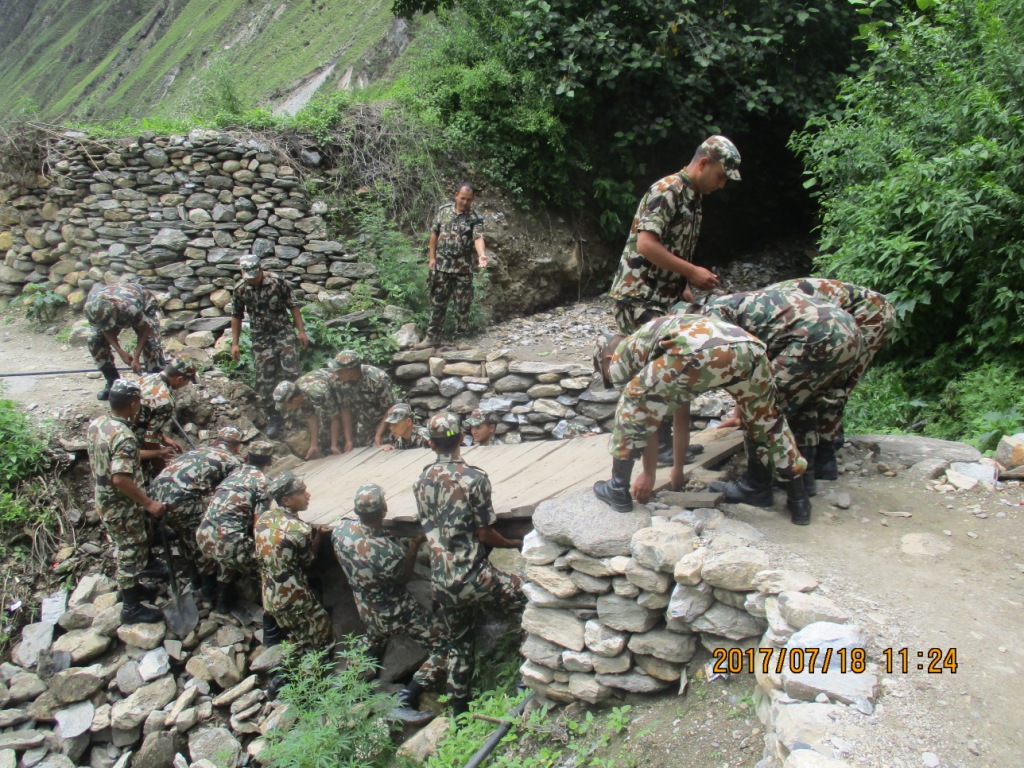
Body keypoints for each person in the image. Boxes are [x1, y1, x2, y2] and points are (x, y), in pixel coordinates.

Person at [590, 314, 810, 524]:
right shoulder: (657, 346)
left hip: (697, 350)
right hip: (749, 347)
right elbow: (681, 414)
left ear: (607, 359)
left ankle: (617, 488)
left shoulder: (620, 357)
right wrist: (677, 468)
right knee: (768, 420)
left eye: (606, 373)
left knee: (631, 401)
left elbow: (645, 417)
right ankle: (799, 500)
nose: (611, 378)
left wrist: (649, 474)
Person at [608, 135, 740, 467]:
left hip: (662, 296)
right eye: (721, 176)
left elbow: (671, 249)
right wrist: (692, 271)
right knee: (663, 367)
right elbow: (647, 246)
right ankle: (654, 449)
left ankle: (665, 447)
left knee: (675, 361)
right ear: (704, 163)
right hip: (637, 296)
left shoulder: (694, 197)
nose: (722, 185)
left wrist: (683, 285)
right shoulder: (667, 190)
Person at [687, 288, 861, 506]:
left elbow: (735, 364)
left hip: (815, 337)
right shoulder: (737, 302)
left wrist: (744, 407)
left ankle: (755, 487)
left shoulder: (709, 316)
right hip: (849, 331)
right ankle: (807, 477)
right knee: (805, 400)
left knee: (760, 409)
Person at [414, 412, 525, 715]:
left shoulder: (421, 480)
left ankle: (458, 715)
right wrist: (513, 544)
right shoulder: (474, 478)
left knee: (459, 645)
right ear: (461, 438)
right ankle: (527, 677)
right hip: (475, 577)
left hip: (441, 582)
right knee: (529, 597)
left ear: (429, 443)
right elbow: (485, 533)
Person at [332, 484, 447, 726]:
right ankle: (405, 698)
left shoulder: (341, 530)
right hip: (397, 612)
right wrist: (414, 546)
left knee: (375, 638)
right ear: (385, 508)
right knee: (445, 645)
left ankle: (348, 685)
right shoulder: (389, 552)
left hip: (365, 608)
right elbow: (403, 578)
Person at [770, 278, 897, 478]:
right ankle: (824, 453)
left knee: (829, 385)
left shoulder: (767, 307)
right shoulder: (761, 305)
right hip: (851, 318)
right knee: (827, 385)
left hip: (869, 315)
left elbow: (762, 368)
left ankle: (818, 458)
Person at [86, 379, 166, 624]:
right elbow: (120, 478)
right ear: (133, 404)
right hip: (121, 505)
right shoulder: (125, 436)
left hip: (106, 499)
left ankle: (135, 588)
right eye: (139, 402)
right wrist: (148, 503)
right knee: (130, 552)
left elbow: (113, 461)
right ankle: (130, 608)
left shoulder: (99, 424)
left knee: (130, 546)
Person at [255, 472, 334, 687]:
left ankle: (281, 680)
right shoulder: (299, 530)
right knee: (321, 640)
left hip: (270, 595)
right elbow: (308, 562)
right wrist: (319, 536)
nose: (308, 495)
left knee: (299, 637)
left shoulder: (264, 519)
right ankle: (307, 689)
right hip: (294, 598)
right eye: (301, 493)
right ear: (286, 500)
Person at [148, 427, 244, 596]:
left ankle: (195, 579)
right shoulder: (231, 461)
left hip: (155, 492)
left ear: (216, 441)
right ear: (236, 447)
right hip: (180, 498)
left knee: (185, 535)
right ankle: (209, 587)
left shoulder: (200, 450)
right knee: (202, 539)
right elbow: (230, 496)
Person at [230, 253, 309, 438]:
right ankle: (274, 418)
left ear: (260, 270)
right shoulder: (241, 289)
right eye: (247, 275)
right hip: (261, 337)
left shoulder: (277, 282)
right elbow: (236, 315)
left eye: (254, 275)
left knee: (292, 373)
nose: (252, 279)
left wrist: (301, 331)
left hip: (283, 332)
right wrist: (235, 343)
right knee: (264, 381)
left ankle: (299, 414)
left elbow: (293, 306)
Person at [195, 441, 275, 613]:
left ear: (246, 458)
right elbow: (259, 524)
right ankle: (273, 615)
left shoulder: (231, 476)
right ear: (270, 461)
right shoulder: (263, 482)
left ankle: (220, 601)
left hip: (202, 534)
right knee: (268, 567)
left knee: (229, 550)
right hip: (228, 541)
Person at [416, 182, 488, 348]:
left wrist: (482, 255)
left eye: (468, 200)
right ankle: (432, 337)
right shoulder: (444, 211)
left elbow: (478, 238)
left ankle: (461, 339)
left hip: (463, 269)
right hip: (441, 267)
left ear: (473, 200)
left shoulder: (475, 217)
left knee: (463, 304)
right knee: (437, 303)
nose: (465, 202)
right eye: (462, 198)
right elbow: (434, 234)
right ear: (456, 195)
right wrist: (432, 258)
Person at [83, 282, 167, 400]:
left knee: (151, 343)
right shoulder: (91, 308)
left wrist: (136, 358)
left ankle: (155, 382)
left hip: (143, 303)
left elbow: (145, 330)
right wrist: (121, 352)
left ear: (113, 310)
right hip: (115, 311)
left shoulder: (129, 307)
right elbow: (104, 329)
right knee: (94, 339)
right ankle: (113, 382)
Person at [131, 356, 198, 470]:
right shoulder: (165, 400)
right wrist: (161, 467)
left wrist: (163, 438)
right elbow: (150, 439)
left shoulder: (147, 377)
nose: (186, 385)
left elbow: (146, 416)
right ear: (179, 379)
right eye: (187, 381)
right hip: (133, 442)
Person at [272, 362, 346, 460]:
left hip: (344, 387)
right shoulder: (299, 394)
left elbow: (335, 417)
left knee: (339, 433)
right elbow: (311, 417)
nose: (287, 409)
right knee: (324, 440)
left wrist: (334, 445)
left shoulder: (317, 393)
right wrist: (313, 445)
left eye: (286, 406)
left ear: (295, 400)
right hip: (332, 395)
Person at [332, 350, 398, 452]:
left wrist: (378, 435)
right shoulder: (339, 382)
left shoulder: (377, 379)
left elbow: (391, 408)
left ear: (351, 371)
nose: (336, 374)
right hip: (363, 425)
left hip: (385, 423)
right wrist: (348, 440)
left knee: (387, 447)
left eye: (340, 371)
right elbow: (345, 410)